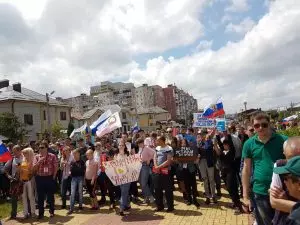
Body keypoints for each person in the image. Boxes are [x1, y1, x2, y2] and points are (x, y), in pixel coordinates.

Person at [242, 113, 287, 225]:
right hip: (260, 191)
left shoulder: (284, 141)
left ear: (269, 124)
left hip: (281, 191)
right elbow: (246, 170)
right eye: (257, 126)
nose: (260, 128)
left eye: (264, 125)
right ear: (253, 127)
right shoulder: (249, 144)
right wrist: (245, 196)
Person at [270, 137, 300, 225]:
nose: (296, 161)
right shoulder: (279, 166)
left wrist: (286, 202)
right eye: (291, 157)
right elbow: (274, 202)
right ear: (284, 154)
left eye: (287, 178)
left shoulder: (295, 218)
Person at [214, 140, 244, 214]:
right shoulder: (222, 152)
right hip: (224, 172)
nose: (225, 146)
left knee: (232, 188)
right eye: (224, 145)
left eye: (226, 144)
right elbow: (218, 151)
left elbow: (227, 145)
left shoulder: (232, 151)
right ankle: (235, 202)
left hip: (231, 172)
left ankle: (238, 206)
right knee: (229, 188)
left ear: (229, 145)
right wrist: (215, 144)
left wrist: (225, 134)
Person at [33, 142, 58, 219]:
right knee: (40, 197)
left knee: (50, 196)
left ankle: (52, 211)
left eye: (42, 147)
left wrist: (53, 176)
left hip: (49, 178)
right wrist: (39, 161)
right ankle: (41, 213)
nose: (40, 149)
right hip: (40, 178)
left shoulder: (52, 156)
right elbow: (34, 168)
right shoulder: (36, 157)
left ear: (47, 148)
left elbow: (56, 166)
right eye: (39, 147)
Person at [152, 136, 174, 212]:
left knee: (168, 190)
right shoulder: (157, 148)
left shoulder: (169, 148)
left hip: (166, 171)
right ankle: (159, 206)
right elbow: (154, 157)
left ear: (162, 141)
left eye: (157, 141)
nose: (156, 142)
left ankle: (170, 206)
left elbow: (169, 160)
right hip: (157, 171)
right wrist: (155, 166)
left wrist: (159, 167)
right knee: (157, 189)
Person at [177, 139, 200, 207]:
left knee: (193, 186)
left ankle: (195, 200)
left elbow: (195, 162)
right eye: (182, 143)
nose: (183, 144)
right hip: (184, 170)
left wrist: (197, 158)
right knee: (187, 186)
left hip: (191, 170)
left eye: (184, 143)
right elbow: (177, 161)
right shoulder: (179, 151)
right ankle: (189, 199)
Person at [4, 145, 23, 220]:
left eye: (15, 151)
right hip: (14, 181)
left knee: (25, 198)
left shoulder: (24, 158)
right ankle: (13, 214)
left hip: (23, 181)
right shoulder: (11, 159)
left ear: (19, 151)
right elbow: (5, 169)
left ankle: (28, 213)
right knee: (14, 198)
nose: (13, 153)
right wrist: (8, 176)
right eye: (13, 151)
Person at [198, 131, 217, 204]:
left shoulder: (209, 141)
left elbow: (209, 146)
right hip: (202, 162)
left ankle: (213, 196)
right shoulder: (199, 143)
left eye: (202, 134)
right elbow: (197, 152)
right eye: (200, 134)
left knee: (211, 179)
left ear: (205, 134)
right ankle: (207, 196)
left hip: (209, 162)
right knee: (205, 179)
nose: (201, 135)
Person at [136, 138, 155, 204]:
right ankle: (146, 197)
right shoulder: (141, 149)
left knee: (143, 183)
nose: (139, 144)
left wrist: (149, 159)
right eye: (138, 143)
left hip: (145, 166)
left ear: (143, 142)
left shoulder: (146, 148)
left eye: (140, 143)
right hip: (140, 166)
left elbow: (154, 153)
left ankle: (150, 196)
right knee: (141, 182)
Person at [115, 141, 131, 216]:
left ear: (124, 147)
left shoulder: (127, 154)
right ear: (118, 146)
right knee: (125, 191)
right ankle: (128, 204)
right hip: (120, 177)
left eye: (122, 145)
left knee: (123, 192)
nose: (121, 146)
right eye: (120, 145)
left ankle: (121, 208)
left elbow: (131, 164)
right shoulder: (116, 155)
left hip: (127, 176)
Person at [68, 149, 86, 215]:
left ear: (79, 154)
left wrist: (84, 179)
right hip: (73, 178)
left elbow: (84, 171)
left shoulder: (82, 162)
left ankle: (80, 205)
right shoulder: (72, 162)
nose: (74, 155)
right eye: (73, 154)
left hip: (80, 178)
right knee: (72, 193)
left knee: (80, 192)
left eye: (75, 153)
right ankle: (71, 208)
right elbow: (70, 169)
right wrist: (70, 172)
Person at [20, 148, 36, 219]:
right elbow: (21, 171)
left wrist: (28, 170)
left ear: (29, 153)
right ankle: (25, 213)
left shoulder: (33, 160)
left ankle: (33, 213)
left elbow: (33, 171)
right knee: (24, 197)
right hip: (23, 181)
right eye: (23, 153)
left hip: (30, 180)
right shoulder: (23, 160)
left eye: (25, 153)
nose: (24, 154)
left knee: (31, 196)